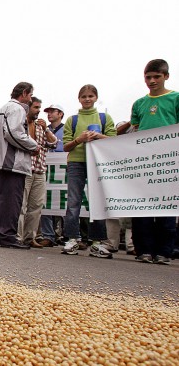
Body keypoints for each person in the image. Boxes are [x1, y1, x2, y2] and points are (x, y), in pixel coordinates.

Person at [128, 59, 179, 264]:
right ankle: (144, 249)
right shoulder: (139, 104)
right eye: (148, 77)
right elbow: (135, 130)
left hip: (168, 162)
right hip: (144, 161)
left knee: (166, 206)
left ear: (166, 76)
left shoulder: (175, 98)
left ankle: (165, 251)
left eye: (156, 76)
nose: (152, 81)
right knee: (142, 207)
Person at [0, 82, 37, 249]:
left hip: (3, 160)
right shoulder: (16, 109)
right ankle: (8, 235)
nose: (30, 99)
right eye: (30, 95)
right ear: (24, 93)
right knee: (12, 200)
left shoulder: (4, 108)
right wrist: (33, 146)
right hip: (11, 162)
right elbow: (13, 133)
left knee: (7, 199)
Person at [61, 84, 116, 257]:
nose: (87, 99)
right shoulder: (72, 120)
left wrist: (98, 136)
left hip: (96, 164)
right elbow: (66, 146)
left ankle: (97, 242)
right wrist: (80, 139)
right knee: (73, 201)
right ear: (79, 99)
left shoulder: (104, 118)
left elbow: (113, 141)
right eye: (84, 96)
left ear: (95, 98)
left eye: (90, 96)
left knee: (97, 202)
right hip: (76, 163)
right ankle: (71, 238)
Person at [17, 97, 57, 247]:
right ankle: (18, 237)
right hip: (25, 170)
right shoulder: (20, 124)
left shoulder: (41, 127)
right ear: (28, 108)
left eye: (40, 108)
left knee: (36, 206)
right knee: (21, 205)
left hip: (40, 170)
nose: (39, 111)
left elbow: (53, 143)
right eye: (36, 108)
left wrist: (46, 129)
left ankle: (29, 237)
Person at [37, 104, 66, 247]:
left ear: (60, 113)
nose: (49, 114)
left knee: (64, 203)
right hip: (47, 168)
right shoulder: (44, 129)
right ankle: (48, 234)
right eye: (47, 112)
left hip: (62, 171)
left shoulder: (67, 129)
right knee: (45, 201)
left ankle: (68, 235)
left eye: (52, 111)